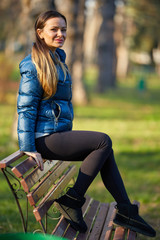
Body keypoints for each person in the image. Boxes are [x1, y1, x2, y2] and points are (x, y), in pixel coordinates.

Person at [17, 10, 156, 237]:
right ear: (40, 33)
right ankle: (73, 200)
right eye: (54, 29)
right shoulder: (33, 65)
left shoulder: (57, 59)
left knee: (105, 149)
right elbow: (26, 107)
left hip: (54, 135)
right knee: (102, 141)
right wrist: (28, 147)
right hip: (43, 139)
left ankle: (125, 210)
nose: (60, 34)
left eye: (63, 29)